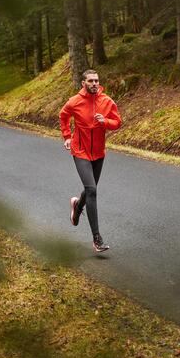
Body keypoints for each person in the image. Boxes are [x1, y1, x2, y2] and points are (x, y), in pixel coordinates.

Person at [59, 69, 122, 252]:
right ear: (83, 83)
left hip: (98, 153)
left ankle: (77, 206)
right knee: (92, 190)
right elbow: (63, 116)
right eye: (91, 81)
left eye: (96, 81)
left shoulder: (107, 101)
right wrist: (67, 136)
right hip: (80, 151)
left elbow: (117, 122)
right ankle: (97, 238)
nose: (94, 84)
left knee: (90, 189)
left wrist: (105, 122)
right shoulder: (75, 101)